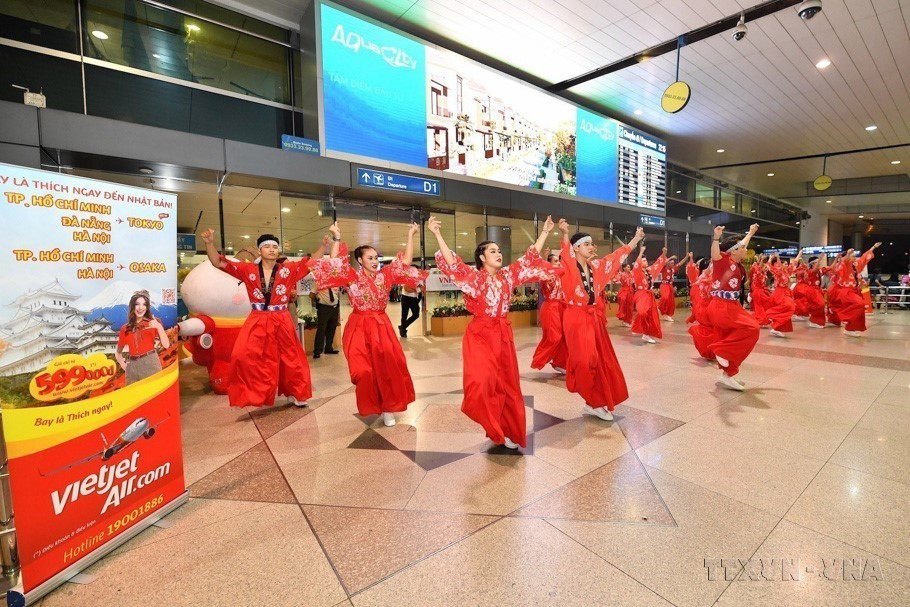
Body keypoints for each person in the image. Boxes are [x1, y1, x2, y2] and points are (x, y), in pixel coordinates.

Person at [429, 215, 555, 449]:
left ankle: (503, 431)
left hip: (503, 334)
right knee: (481, 381)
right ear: (481, 257)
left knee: (506, 385)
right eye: (492, 251)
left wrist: (545, 232)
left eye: (499, 250)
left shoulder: (507, 276)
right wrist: (437, 234)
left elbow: (528, 259)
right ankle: (489, 422)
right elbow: (453, 264)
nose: (498, 254)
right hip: (480, 334)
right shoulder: (474, 278)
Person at [311, 222, 427, 427]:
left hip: (381, 326)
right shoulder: (352, 277)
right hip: (359, 326)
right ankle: (372, 404)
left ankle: (388, 408)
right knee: (362, 371)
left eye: (376, 258)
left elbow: (406, 261)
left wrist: (411, 234)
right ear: (359, 260)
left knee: (388, 368)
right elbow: (335, 263)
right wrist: (336, 238)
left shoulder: (386, 276)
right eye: (370, 258)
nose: (375, 261)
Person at [201, 229, 326, 408]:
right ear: (260, 251)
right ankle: (252, 394)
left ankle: (297, 392)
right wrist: (209, 243)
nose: (272, 249)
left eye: (275, 246)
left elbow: (312, 262)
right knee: (243, 355)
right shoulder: (247, 269)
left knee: (291, 357)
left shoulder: (288, 270)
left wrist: (323, 246)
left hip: (281, 317)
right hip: (258, 318)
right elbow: (218, 262)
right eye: (267, 246)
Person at [558, 221, 645, 420]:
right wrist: (565, 233)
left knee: (601, 361)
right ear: (576, 248)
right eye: (586, 244)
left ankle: (594, 402)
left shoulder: (596, 266)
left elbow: (617, 257)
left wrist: (636, 239)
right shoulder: (569, 266)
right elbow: (566, 253)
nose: (591, 247)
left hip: (593, 318)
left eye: (592, 244)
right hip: (575, 317)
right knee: (584, 361)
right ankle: (586, 392)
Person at [690, 223, 761, 391]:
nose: (746, 250)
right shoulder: (723, 262)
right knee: (753, 328)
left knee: (736, 335)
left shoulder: (736, 263)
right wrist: (716, 237)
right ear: (734, 251)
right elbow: (715, 253)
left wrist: (750, 232)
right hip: (722, 307)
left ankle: (727, 376)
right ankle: (722, 351)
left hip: (731, 305)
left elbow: (742, 243)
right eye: (743, 248)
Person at [116, 290, 170, 385]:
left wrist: (158, 326)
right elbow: (118, 352)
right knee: (134, 397)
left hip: (150, 363)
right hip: (132, 366)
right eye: (137, 304)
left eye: (144, 304)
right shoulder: (125, 328)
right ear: (132, 306)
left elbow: (166, 345)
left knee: (155, 394)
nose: (141, 308)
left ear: (147, 307)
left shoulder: (154, 322)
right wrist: (123, 365)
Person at [828, 243, 882, 336]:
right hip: (846, 291)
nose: (854, 258)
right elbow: (843, 262)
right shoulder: (844, 264)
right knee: (859, 303)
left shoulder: (856, 264)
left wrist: (873, 247)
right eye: (852, 256)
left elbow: (864, 257)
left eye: (854, 256)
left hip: (855, 290)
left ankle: (850, 328)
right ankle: (841, 315)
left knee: (860, 310)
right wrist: (847, 254)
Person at [531, 251, 568, 374]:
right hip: (551, 307)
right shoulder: (546, 276)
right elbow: (540, 268)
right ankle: (539, 358)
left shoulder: (562, 275)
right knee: (554, 337)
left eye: (559, 261)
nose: (558, 263)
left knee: (563, 338)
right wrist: (544, 259)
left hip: (562, 307)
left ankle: (561, 363)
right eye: (556, 261)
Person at [630, 246, 668, 344]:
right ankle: (637, 326)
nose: (646, 262)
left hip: (649, 294)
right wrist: (641, 251)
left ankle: (646, 335)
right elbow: (637, 264)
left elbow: (658, 264)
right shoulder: (637, 271)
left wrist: (663, 254)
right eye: (644, 260)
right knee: (642, 312)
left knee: (651, 316)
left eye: (646, 260)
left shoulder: (649, 271)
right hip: (641, 294)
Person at [764, 251, 800, 338]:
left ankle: (776, 328)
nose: (787, 265)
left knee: (787, 310)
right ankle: (771, 316)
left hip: (786, 292)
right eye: (785, 264)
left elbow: (795, 262)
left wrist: (800, 253)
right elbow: (769, 266)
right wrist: (775, 257)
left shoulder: (788, 272)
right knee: (790, 307)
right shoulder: (778, 273)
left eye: (787, 264)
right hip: (779, 293)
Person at [793, 256, 828, 328]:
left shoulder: (820, 270)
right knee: (820, 304)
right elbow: (812, 269)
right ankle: (810, 316)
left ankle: (816, 321)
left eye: (819, 262)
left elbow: (830, 268)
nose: (819, 264)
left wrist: (837, 258)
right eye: (817, 262)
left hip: (818, 290)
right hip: (812, 291)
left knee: (821, 306)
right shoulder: (809, 271)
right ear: (812, 264)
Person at [312, 281, 341, 358]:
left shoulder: (335, 282)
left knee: (332, 328)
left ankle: (329, 347)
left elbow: (336, 293)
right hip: (323, 308)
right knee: (321, 329)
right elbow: (311, 295)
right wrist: (318, 300)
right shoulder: (318, 281)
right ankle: (317, 350)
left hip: (334, 308)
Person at [657, 252, 689, 321]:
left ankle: (667, 315)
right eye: (671, 263)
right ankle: (658, 308)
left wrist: (686, 257)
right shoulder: (664, 268)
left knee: (670, 302)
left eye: (673, 263)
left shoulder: (673, 269)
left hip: (670, 285)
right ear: (668, 263)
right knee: (665, 297)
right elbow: (662, 263)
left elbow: (680, 263)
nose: (673, 264)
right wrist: (671, 257)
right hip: (664, 285)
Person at [615, 263, 635, 328]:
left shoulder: (631, 273)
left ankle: (628, 321)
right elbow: (615, 280)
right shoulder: (621, 274)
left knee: (630, 306)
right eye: (628, 267)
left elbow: (636, 270)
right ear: (624, 268)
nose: (629, 268)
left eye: (629, 267)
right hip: (624, 290)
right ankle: (623, 317)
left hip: (630, 291)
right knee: (623, 302)